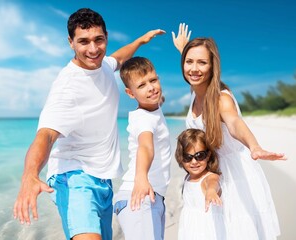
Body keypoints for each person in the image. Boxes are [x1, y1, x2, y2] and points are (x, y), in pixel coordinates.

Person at [12, 8, 165, 240]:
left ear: (106, 37)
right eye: (83, 42)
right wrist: (30, 175)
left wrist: (140, 40)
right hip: (73, 176)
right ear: (70, 42)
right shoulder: (67, 88)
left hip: (103, 179)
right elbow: (46, 135)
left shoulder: (102, 64)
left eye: (99, 40)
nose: (93, 49)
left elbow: (120, 57)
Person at [172, 24, 287, 239]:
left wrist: (255, 146)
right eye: (189, 61)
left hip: (235, 175)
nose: (194, 68)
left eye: (202, 63)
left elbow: (234, 123)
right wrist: (183, 48)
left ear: (212, 67)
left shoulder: (220, 98)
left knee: (237, 231)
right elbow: (193, 68)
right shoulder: (195, 90)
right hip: (213, 170)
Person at [113, 57, 172, 240]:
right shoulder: (144, 118)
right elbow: (145, 147)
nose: (151, 88)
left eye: (153, 80)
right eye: (142, 86)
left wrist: (183, 51)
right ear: (130, 93)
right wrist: (141, 178)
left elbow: (158, 97)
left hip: (150, 197)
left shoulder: (154, 108)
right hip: (140, 195)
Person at [175, 128, 225, 240]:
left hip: (206, 232)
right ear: (181, 158)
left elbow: (213, 183)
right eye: (188, 157)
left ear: (208, 156)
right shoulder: (187, 178)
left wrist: (211, 191)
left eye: (199, 156)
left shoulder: (209, 177)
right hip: (189, 230)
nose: (194, 162)